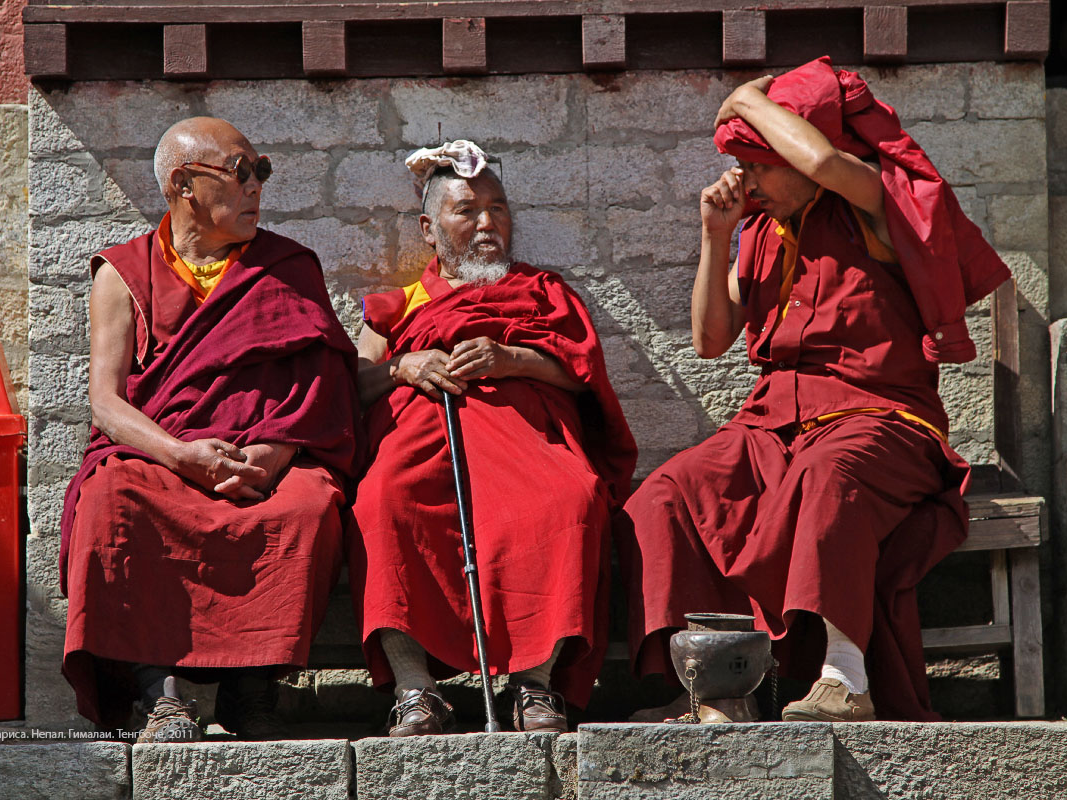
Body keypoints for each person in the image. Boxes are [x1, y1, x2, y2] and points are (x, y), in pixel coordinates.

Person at [618, 57, 1011, 723]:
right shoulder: (760, 231)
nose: (747, 181)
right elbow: (712, 340)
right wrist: (716, 236)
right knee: (669, 493)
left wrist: (747, 99)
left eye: (761, 165)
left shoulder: (876, 202)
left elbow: (825, 164)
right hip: (774, 425)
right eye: (743, 165)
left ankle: (843, 676)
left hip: (881, 418)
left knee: (831, 474)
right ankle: (718, 692)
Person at [59, 117, 361, 743]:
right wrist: (180, 455)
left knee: (308, 506)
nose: (257, 188)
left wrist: (274, 456)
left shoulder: (289, 267)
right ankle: (158, 695)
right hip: (167, 456)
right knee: (114, 498)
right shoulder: (123, 273)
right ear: (183, 184)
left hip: (262, 459)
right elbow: (106, 403)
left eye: (262, 171)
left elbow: (326, 384)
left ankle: (250, 693)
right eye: (240, 172)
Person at [348, 140, 637, 736]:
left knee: (571, 500)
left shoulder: (542, 292)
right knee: (382, 502)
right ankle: (415, 691)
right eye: (467, 211)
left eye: (498, 209)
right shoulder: (398, 305)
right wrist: (405, 367)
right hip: (426, 441)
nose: (488, 224)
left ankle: (536, 684)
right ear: (429, 229)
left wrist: (512, 359)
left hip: (525, 440)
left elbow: (580, 372)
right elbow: (354, 382)